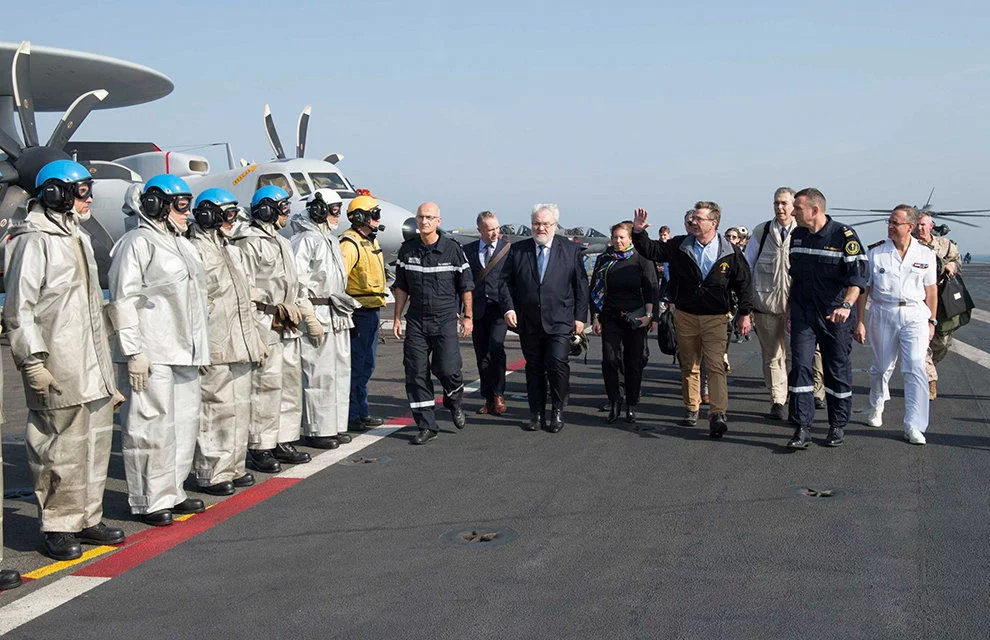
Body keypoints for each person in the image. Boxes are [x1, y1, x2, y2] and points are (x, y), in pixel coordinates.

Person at [3, 160, 124, 559]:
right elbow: (19, 308)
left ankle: (88, 518)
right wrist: (32, 361)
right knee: (59, 449)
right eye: (82, 191)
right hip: (59, 361)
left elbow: (89, 305)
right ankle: (58, 524)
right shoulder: (32, 239)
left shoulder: (77, 236)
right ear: (56, 194)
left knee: (95, 442)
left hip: (91, 361)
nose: (88, 199)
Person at [109, 174, 210, 526]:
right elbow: (123, 298)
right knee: (149, 427)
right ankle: (149, 498)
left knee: (183, 425)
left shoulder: (181, 243)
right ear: (157, 204)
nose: (187, 212)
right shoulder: (137, 242)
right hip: (151, 351)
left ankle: (173, 490)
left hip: (185, 349)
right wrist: (133, 351)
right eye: (181, 205)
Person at [632, 202, 752, 438]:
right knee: (689, 364)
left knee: (716, 365)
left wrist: (745, 313)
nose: (693, 222)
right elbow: (652, 250)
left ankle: (717, 414)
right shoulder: (679, 245)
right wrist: (638, 232)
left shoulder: (730, 251)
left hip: (716, 318)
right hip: (686, 315)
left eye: (699, 219)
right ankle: (692, 407)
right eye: (693, 218)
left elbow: (744, 283)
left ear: (713, 223)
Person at [186, 188, 267, 495]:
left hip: (239, 341)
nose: (234, 221)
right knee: (215, 410)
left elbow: (244, 295)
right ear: (210, 215)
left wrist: (255, 338)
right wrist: (200, 346)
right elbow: (196, 303)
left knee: (239, 408)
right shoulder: (195, 248)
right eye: (229, 215)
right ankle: (212, 472)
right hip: (215, 343)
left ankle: (234, 465)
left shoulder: (230, 248)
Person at [232, 186, 316, 472]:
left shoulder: (281, 241)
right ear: (266, 209)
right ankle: (260, 445)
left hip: (287, 322)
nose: (287, 213)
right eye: (282, 207)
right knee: (264, 386)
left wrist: (303, 312)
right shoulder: (248, 242)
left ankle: (283, 439)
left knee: (289, 384)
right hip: (264, 321)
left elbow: (294, 281)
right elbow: (242, 284)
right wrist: (270, 304)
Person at [785, 188, 868, 449]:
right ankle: (802, 426)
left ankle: (837, 424)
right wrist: (788, 308)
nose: (792, 212)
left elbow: (858, 280)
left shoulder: (845, 236)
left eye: (797, 208)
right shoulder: (797, 235)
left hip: (835, 315)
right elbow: (794, 276)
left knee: (836, 368)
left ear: (814, 210)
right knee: (799, 366)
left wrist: (846, 306)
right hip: (803, 312)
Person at [501, 203, 589, 433]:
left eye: (546, 224)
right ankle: (536, 413)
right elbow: (505, 282)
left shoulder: (570, 250)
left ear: (555, 225)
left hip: (560, 319)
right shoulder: (518, 250)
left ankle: (557, 409)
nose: (541, 228)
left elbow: (581, 285)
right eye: (536, 223)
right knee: (534, 368)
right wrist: (509, 309)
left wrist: (580, 317)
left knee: (557, 363)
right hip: (528, 320)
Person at [854, 205, 937, 445]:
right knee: (881, 367)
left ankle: (914, 424)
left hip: (914, 313)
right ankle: (876, 405)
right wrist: (860, 321)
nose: (890, 226)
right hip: (883, 312)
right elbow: (864, 290)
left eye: (895, 223)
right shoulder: (876, 254)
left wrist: (932, 319)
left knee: (914, 367)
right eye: (889, 222)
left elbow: (931, 290)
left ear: (909, 227)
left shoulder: (925, 254)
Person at [392, 202, 473, 444]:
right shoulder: (407, 251)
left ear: (438, 221)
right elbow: (401, 287)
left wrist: (468, 317)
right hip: (417, 320)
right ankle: (427, 425)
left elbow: (466, 287)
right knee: (415, 372)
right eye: (420, 217)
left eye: (429, 217)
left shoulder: (453, 250)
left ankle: (453, 398)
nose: (424, 221)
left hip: (446, 318)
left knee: (448, 369)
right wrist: (397, 316)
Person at [743, 187, 826, 420]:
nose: (780, 208)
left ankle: (810, 392)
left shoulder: (804, 232)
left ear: (794, 206)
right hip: (766, 304)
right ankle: (778, 400)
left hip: (798, 305)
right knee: (772, 355)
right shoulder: (762, 231)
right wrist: (746, 304)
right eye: (776, 203)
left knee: (801, 354)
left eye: (785, 204)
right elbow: (747, 266)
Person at [290, 189, 360, 448]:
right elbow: (296, 281)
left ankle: (335, 425)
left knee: (340, 373)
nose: (337, 215)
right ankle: (317, 429)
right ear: (317, 210)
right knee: (318, 374)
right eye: (333, 210)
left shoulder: (330, 239)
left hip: (337, 313)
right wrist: (308, 316)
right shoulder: (304, 240)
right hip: (318, 313)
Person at [590, 221, 657, 426]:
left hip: (635, 318)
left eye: (621, 237)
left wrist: (650, 315)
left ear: (630, 239)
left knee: (633, 362)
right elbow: (595, 289)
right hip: (610, 316)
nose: (617, 241)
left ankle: (630, 403)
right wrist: (595, 316)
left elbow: (651, 287)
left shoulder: (642, 258)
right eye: (615, 237)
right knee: (610, 360)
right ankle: (615, 401)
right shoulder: (604, 259)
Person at [340, 195, 388, 431]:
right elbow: (339, 281)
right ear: (360, 217)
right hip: (358, 314)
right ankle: (352, 415)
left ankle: (361, 410)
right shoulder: (349, 244)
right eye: (374, 214)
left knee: (366, 365)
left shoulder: (370, 241)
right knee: (357, 366)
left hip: (371, 312)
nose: (378, 219)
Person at [463, 211, 510, 416]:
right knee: (481, 354)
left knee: (496, 348)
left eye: (497, 228)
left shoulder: (507, 249)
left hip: (499, 309)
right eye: (490, 229)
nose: (495, 233)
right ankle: (488, 397)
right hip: (478, 309)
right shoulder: (468, 250)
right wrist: (464, 312)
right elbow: (464, 282)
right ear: (479, 230)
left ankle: (499, 393)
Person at [913, 213, 963, 399]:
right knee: (921, 342)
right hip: (918, 299)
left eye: (923, 225)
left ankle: (926, 367)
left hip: (943, 300)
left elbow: (957, 260)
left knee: (943, 342)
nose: (920, 229)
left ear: (931, 225)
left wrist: (952, 265)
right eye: (917, 225)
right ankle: (930, 381)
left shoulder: (945, 244)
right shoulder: (909, 246)